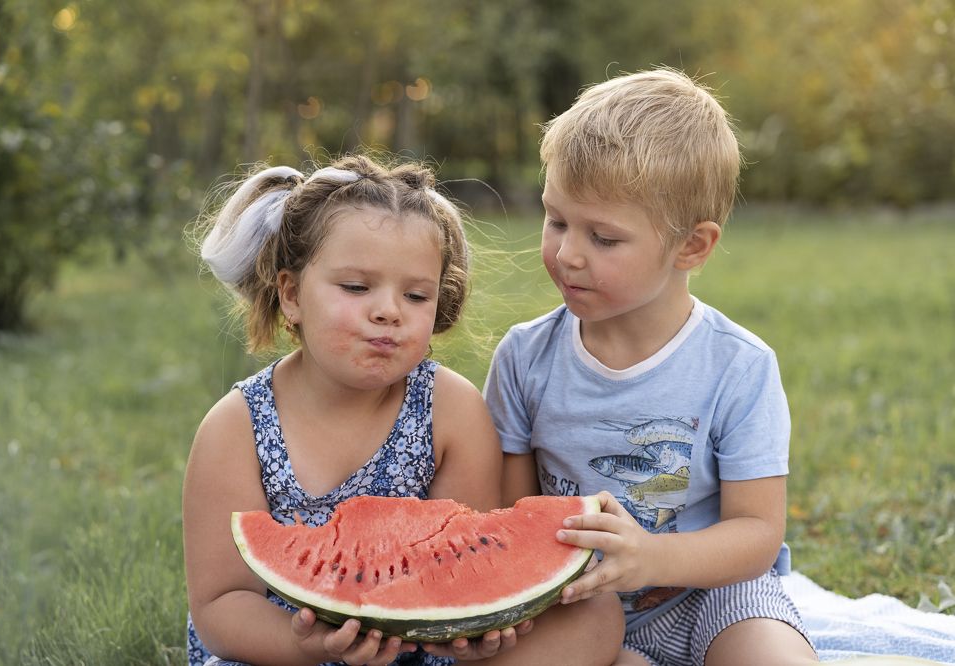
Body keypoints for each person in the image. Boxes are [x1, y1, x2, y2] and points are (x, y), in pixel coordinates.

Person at [183, 155, 618, 666]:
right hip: (285, 649)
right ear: (292, 295)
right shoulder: (236, 426)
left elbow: (469, 563)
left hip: (421, 647)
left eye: (415, 295)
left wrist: (478, 633)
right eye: (356, 287)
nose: (388, 310)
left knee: (597, 616)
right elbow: (220, 606)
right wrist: (313, 645)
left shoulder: (450, 411)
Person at [483, 68, 819, 666]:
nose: (567, 253)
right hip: (574, 603)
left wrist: (650, 558)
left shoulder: (738, 366)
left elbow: (756, 534)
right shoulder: (524, 357)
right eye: (556, 220)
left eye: (603, 238)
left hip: (712, 594)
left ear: (692, 246)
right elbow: (513, 516)